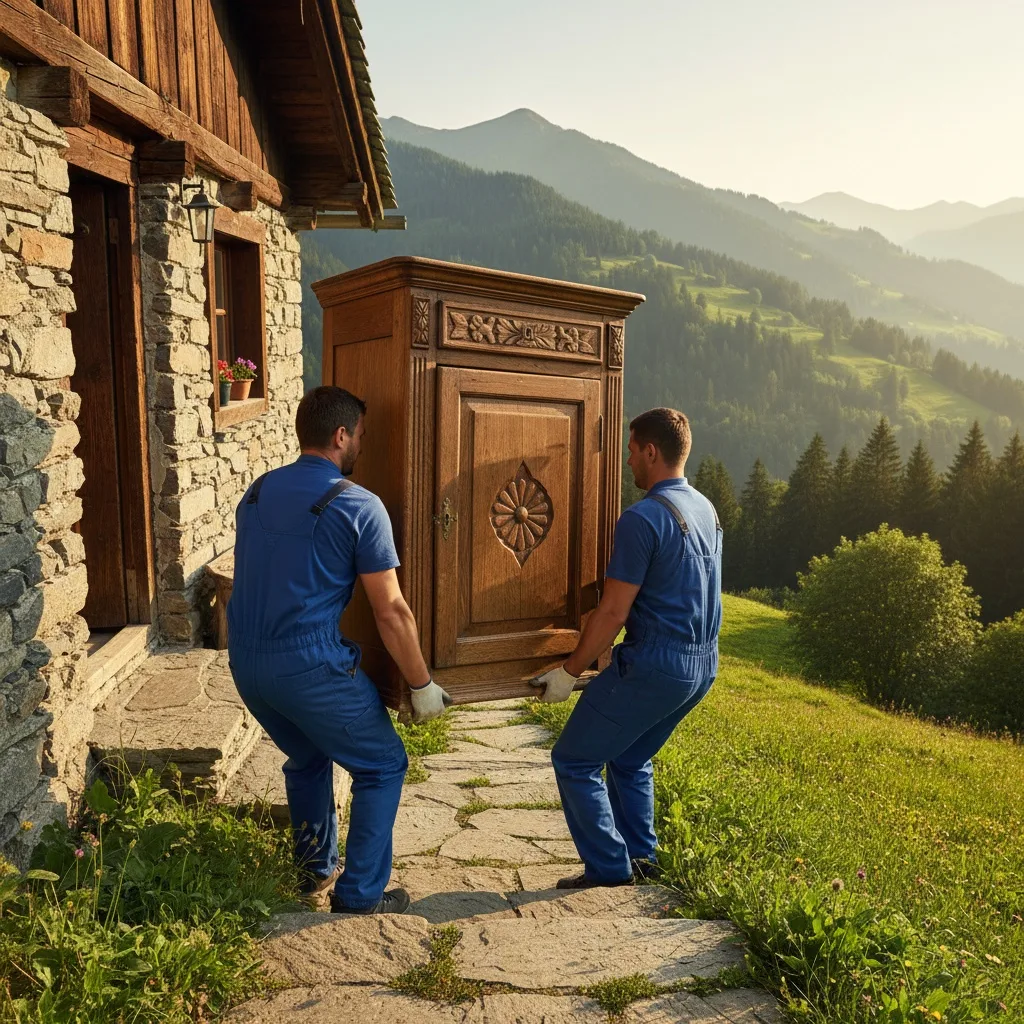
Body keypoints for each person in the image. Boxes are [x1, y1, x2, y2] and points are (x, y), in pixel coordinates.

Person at [227, 386, 451, 915]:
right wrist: (420, 685)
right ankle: (360, 896)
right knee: (382, 765)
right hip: (308, 663)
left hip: (247, 662)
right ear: (340, 435)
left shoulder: (254, 493)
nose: (361, 448)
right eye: (361, 437)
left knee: (307, 755)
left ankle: (314, 871)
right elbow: (391, 611)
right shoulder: (356, 504)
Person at [530, 407, 722, 889]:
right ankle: (641, 858)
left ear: (652, 452)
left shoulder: (643, 519)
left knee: (574, 760)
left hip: (656, 665)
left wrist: (570, 671)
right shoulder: (705, 508)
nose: (628, 459)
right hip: (703, 665)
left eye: (632, 450)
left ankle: (609, 868)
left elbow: (612, 612)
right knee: (631, 758)